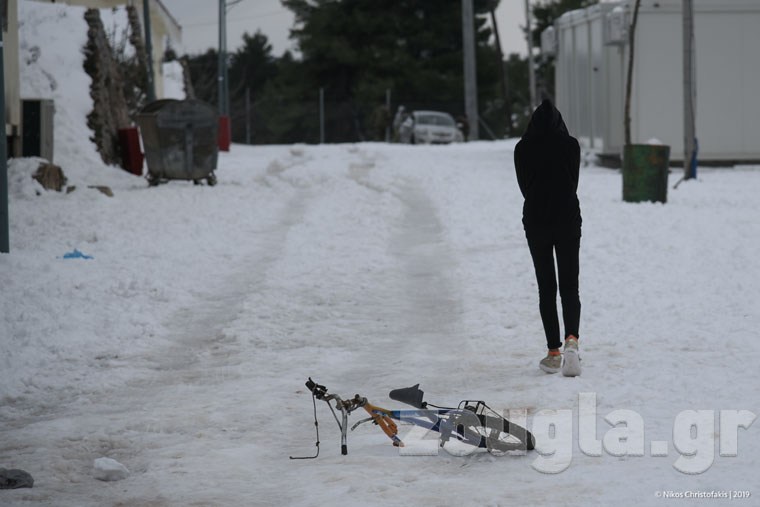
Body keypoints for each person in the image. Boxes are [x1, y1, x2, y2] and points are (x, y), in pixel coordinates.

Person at [514, 99, 582, 377]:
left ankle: (553, 352)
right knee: (569, 285)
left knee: (546, 287)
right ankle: (572, 342)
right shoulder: (571, 146)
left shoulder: (522, 148)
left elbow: (523, 185)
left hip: (536, 220)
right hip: (567, 217)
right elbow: (573, 181)